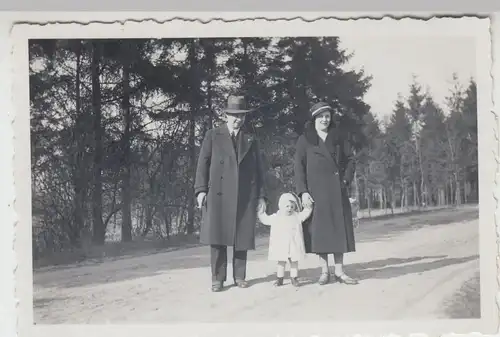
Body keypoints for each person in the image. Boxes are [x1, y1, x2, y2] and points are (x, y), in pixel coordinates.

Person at [194, 95, 267, 292]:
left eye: (241, 116)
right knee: (217, 237)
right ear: (226, 115)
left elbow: (260, 170)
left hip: (244, 194)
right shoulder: (212, 135)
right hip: (218, 194)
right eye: (234, 115)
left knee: (241, 235)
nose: (238, 119)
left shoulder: (251, 139)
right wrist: (200, 191)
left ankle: (240, 276)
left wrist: (261, 195)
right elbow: (203, 164)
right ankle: (217, 278)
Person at [294, 101, 359, 286]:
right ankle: (324, 272)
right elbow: (298, 168)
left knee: (339, 231)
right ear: (314, 118)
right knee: (320, 233)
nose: (324, 119)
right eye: (321, 116)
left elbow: (351, 160)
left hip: (337, 191)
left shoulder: (338, 137)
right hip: (316, 193)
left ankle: (339, 271)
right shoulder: (305, 139)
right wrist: (303, 192)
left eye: (327, 116)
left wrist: (345, 181)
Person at [257, 192, 313, 287]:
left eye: (292, 206)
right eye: (287, 206)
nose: (289, 209)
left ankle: (294, 278)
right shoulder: (276, 217)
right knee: (281, 262)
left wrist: (309, 207)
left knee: (294, 261)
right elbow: (265, 219)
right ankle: (280, 278)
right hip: (281, 244)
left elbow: (305, 213)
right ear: (281, 206)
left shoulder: (297, 216)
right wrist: (261, 212)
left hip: (294, 244)